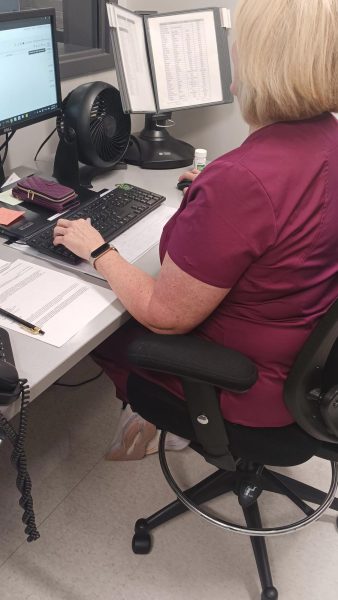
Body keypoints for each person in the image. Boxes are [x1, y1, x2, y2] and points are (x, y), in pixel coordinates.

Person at [53, 0, 338, 460]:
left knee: (101, 329)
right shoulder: (329, 136)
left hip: (249, 384)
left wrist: (98, 250)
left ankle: (179, 419)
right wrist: (211, 197)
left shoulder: (242, 180)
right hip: (308, 366)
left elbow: (165, 316)